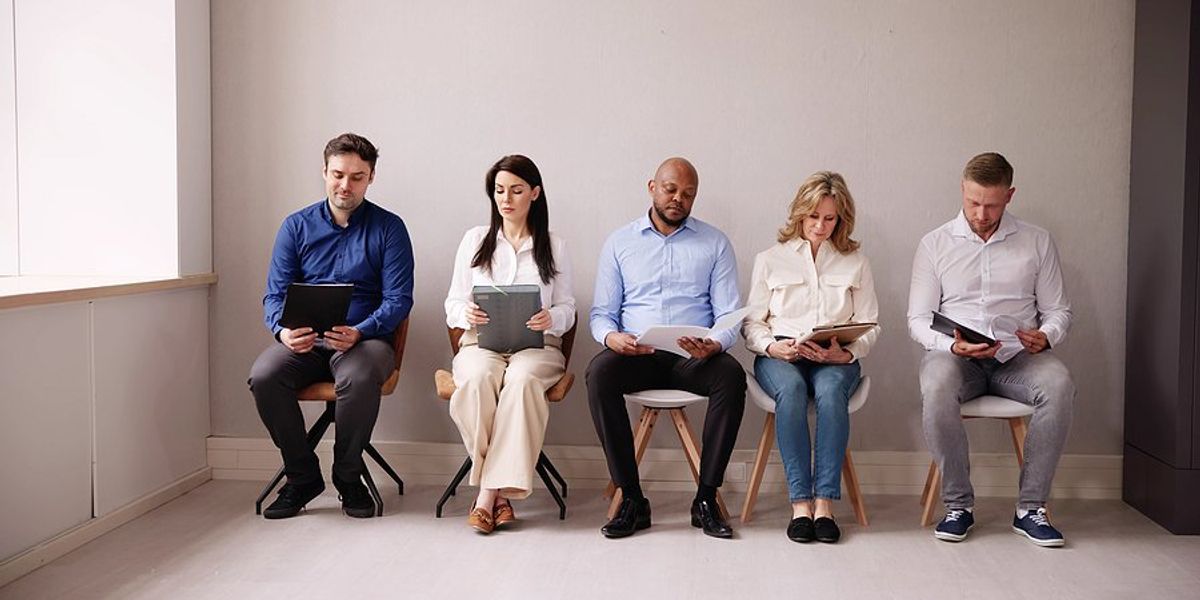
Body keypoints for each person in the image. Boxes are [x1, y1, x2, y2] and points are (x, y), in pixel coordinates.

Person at [908, 152, 1075, 547]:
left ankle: (1030, 508)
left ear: (1010, 195)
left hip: (1017, 358)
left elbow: (1058, 310)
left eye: (992, 204)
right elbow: (917, 319)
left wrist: (1047, 335)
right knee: (936, 386)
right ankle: (958, 505)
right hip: (955, 357)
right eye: (973, 202)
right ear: (962, 191)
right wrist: (953, 344)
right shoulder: (935, 244)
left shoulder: (1036, 241)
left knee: (1059, 383)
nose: (981, 213)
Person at [248, 133, 415, 519]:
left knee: (356, 377)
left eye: (357, 176)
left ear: (371, 178)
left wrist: (362, 330)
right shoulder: (295, 227)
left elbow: (399, 299)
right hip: (304, 343)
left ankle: (348, 477)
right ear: (324, 172)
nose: (346, 185)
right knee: (264, 375)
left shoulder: (390, 228)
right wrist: (282, 331)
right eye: (338, 174)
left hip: (365, 340)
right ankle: (302, 476)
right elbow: (274, 295)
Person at [586, 157, 745, 539]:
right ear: (652, 187)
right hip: (637, 354)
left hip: (693, 357)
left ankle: (705, 497)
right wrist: (612, 338)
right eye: (671, 189)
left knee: (732, 375)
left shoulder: (715, 243)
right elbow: (601, 314)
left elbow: (730, 315)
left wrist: (715, 343)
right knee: (598, 374)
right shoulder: (620, 242)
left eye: (688, 194)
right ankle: (632, 498)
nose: (679, 198)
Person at [743, 171, 879, 544]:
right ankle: (800, 505)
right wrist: (772, 347)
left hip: (833, 355)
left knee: (832, 393)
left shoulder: (856, 262)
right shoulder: (770, 259)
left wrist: (846, 352)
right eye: (813, 216)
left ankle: (825, 505)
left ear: (842, 219)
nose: (820, 226)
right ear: (800, 214)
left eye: (830, 218)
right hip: (782, 354)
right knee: (789, 390)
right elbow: (752, 323)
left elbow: (872, 325)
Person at [444, 155, 575, 535]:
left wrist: (554, 318)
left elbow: (568, 306)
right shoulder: (474, 240)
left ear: (534, 193)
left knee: (520, 381)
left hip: (537, 348)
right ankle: (500, 493)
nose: (507, 199)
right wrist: (465, 313)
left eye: (516, 191)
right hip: (481, 344)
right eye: (500, 191)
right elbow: (452, 302)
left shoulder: (554, 245)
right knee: (478, 378)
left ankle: (486, 493)